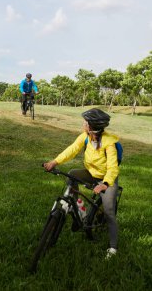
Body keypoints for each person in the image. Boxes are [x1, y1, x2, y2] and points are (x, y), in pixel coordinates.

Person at [44, 108, 120, 259]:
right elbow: (71, 150)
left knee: (109, 212)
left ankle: (113, 248)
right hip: (90, 174)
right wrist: (55, 161)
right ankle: (77, 205)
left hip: (106, 179)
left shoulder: (109, 143)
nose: (83, 124)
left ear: (92, 126)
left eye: (85, 122)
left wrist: (105, 184)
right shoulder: (85, 137)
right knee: (72, 174)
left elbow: (113, 167)